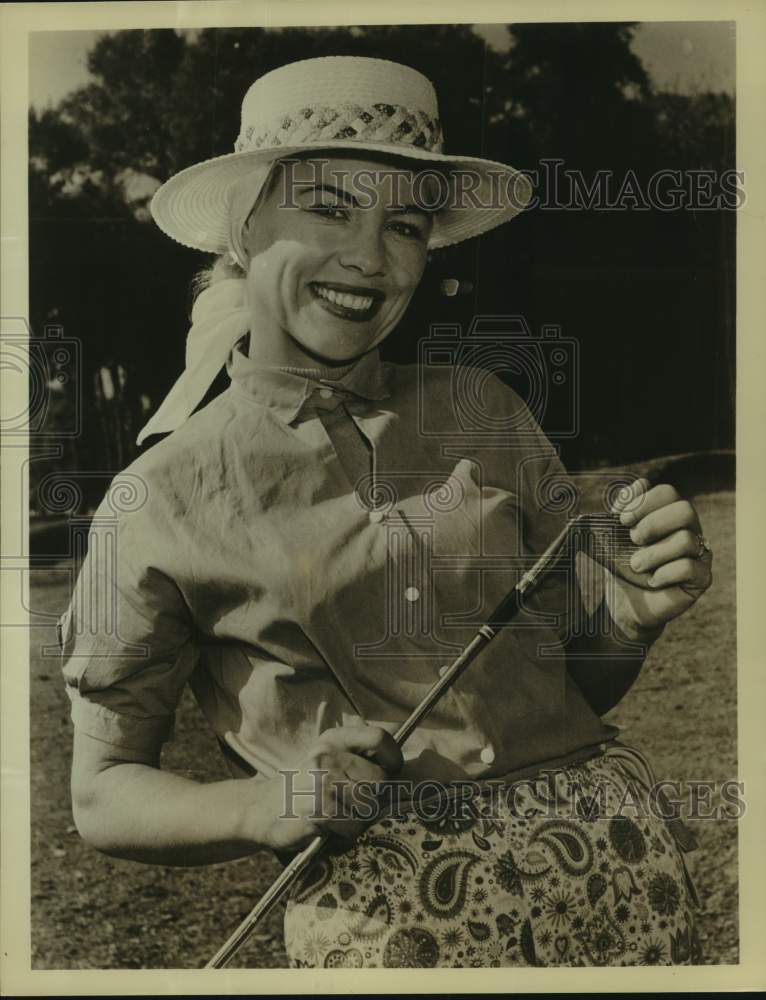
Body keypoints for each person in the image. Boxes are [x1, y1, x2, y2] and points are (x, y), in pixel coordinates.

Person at [60, 56, 713, 968]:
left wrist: (629, 625)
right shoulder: (158, 494)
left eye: (404, 224)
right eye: (329, 207)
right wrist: (266, 805)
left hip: (616, 874)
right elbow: (102, 794)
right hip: (401, 930)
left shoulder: (487, 407)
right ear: (246, 228)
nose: (369, 257)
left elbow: (570, 688)